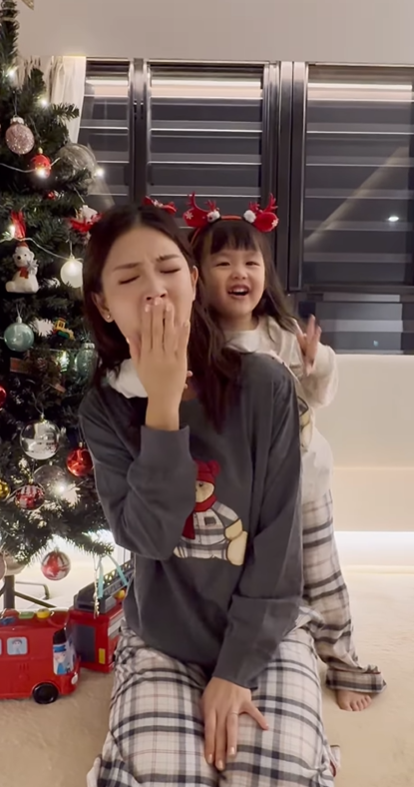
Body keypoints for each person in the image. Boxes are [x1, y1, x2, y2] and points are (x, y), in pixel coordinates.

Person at [80, 202, 337, 787]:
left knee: (275, 771)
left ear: (193, 281)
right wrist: (163, 406)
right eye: (129, 278)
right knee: (161, 773)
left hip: (266, 631)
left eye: (169, 269)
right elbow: (148, 537)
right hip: (164, 636)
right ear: (103, 302)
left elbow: (277, 546)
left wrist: (235, 671)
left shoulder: (266, 386)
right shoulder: (106, 407)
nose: (155, 290)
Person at [186, 193, 386, 713]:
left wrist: (316, 362)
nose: (240, 272)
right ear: (197, 277)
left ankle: (344, 662)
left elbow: (319, 396)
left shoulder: (281, 333)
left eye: (251, 262)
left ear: (265, 274)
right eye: (223, 263)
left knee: (322, 577)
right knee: (246, 573)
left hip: (303, 484)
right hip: (239, 493)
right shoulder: (197, 342)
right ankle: (238, 648)